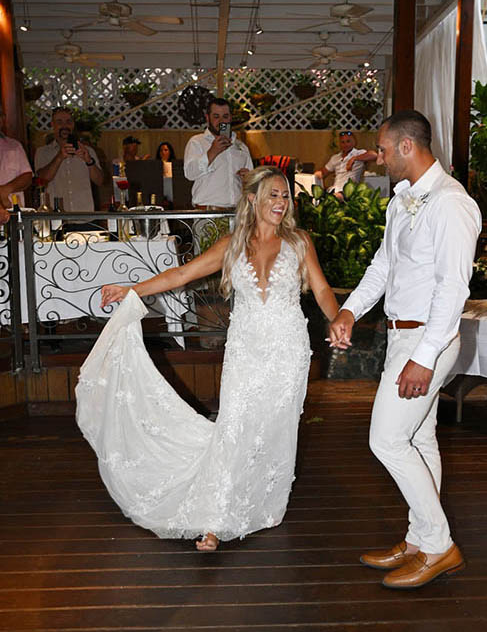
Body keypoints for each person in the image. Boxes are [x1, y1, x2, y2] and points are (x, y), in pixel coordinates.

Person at [76, 165, 339, 551]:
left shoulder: (300, 242)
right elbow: (181, 274)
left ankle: (260, 503)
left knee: (273, 427)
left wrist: (339, 320)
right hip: (246, 350)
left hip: (288, 351)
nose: (281, 203)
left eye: (285, 195)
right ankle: (215, 519)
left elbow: (321, 289)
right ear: (252, 199)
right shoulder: (233, 244)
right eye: (273, 195)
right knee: (235, 426)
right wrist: (131, 289)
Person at [329, 110, 481, 589]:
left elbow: (453, 291)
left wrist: (424, 357)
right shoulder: (403, 200)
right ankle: (419, 540)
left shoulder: (451, 204)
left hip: (427, 340)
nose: (377, 156)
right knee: (419, 440)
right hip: (402, 334)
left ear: (407, 147)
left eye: (382, 148)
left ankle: (439, 545)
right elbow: (382, 266)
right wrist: (350, 310)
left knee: (386, 440)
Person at [184, 97, 253, 210]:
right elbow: (190, 174)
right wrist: (212, 151)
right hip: (207, 211)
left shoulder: (241, 147)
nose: (221, 121)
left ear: (230, 118)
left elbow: (251, 184)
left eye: (225, 116)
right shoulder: (197, 142)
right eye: (216, 116)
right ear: (208, 118)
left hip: (237, 212)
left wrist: (247, 178)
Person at [35, 107, 103, 212]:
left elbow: (100, 181)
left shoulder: (87, 151)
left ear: (73, 125)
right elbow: (42, 181)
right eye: (59, 122)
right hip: (55, 217)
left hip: (84, 216)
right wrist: (59, 157)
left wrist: (89, 162)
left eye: (68, 121)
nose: (64, 125)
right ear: (52, 125)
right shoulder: (42, 152)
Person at [315, 130, 377, 200]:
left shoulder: (359, 153)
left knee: (332, 199)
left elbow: (374, 155)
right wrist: (319, 174)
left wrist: (354, 159)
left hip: (349, 192)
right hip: (334, 190)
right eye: (343, 142)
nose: (345, 144)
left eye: (348, 141)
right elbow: (323, 172)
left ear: (354, 142)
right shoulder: (335, 157)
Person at [0, 107, 32, 209]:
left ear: (3, 119)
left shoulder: (15, 146)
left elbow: (27, 177)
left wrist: (6, 189)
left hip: (13, 216)